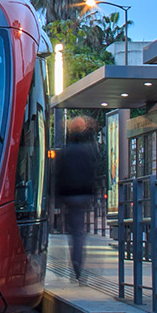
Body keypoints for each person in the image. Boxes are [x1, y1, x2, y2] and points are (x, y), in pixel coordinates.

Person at [55, 116, 100, 281]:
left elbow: (58, 175)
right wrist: (93, 195)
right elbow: (92, 173)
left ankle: (76, 261)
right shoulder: (88, 151)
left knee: (73, 231)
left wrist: (58, 197)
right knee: (79, 231)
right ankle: (78, 262)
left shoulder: (65, 151)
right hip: (83, 195)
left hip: (69, 196)